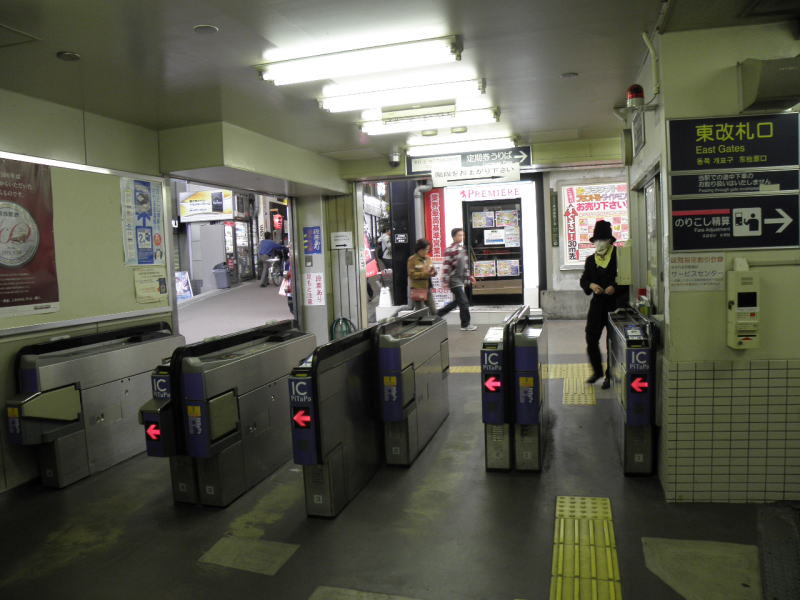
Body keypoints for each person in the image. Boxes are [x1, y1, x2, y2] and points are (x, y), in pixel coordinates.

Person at [579, 220, 628, 388]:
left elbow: (627, 279)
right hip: (597, 304)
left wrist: (615, 287)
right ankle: (597, 370)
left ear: (609, 240)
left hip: (615, 305)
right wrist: (591, 285)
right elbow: (584, 280)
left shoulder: (619, 256)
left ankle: (609, 375)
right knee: (591, 337)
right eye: (597, 240)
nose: (599, 243)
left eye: (602, 239)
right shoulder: (591, 260)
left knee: (611, 341)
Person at [437, 227, 477, 331]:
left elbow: (464, 266)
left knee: (458, 302)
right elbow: (446, 266)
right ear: (454, 236)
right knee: (463, 302)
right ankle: (465, 325)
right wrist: (445, 281)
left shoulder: (461, 248)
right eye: (459, 235)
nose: (461, 237)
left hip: (460, 279)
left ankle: (437, 314)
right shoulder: (450, 249)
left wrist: (469, 277)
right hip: (453, 279)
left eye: (462, 235)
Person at [407, 238, 437, 315]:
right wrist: (426, 273)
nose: (427, 251)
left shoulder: (428, 258)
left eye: (428, 249)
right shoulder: (412, 259)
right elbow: (412, 275)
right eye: (425, 249)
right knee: (420, 312)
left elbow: (431, 269)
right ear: (420, 249)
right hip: (417, 288)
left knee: (433, 310)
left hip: (428, 287)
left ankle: (435, 325)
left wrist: (434, 272)